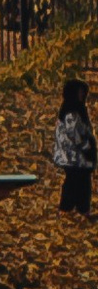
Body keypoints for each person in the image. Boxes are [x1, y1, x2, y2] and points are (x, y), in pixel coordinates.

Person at [56, 76, 95, 221]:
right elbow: (74, 133)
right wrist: (86, 147)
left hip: (77, 155)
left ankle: (81, 209)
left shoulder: (77, 109)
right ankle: (67, 208)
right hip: (74, 155)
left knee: (82, 182)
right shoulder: (71, 111)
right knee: (74, 181)